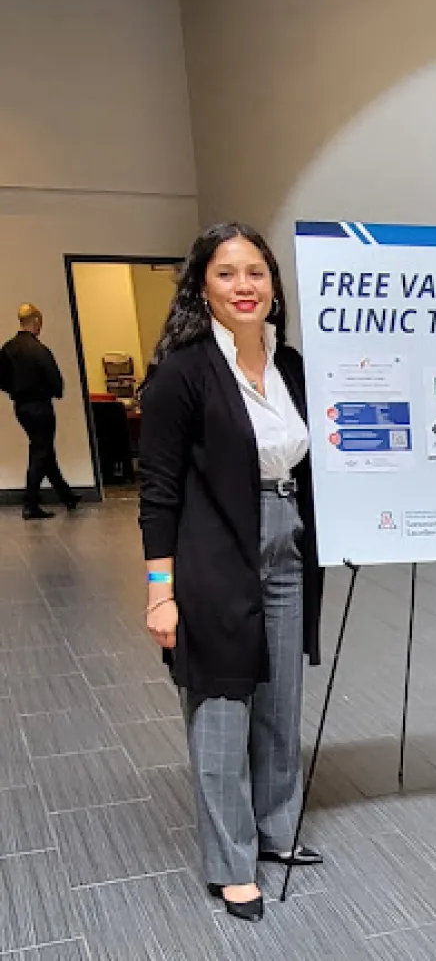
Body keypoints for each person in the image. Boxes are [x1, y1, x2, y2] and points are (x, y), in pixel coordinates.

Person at [137, 223, 324, 922]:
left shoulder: (291, 364)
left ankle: (277, 832)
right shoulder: (182, 373)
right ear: (202, 286)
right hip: (213, 550)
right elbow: (157, 491)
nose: (244, 286)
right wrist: (162, 593)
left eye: (256, 272)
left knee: (280, 701)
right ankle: (231, 863)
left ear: (273, 284)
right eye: (226, 273)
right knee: (222, 708)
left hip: (287, 541)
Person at [0, 304, 81, 519]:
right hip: (40, 407)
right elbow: (54, 379)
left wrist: (14, 391)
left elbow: (1, 378)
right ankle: (31, 503)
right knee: (40, 453)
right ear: (36, 321)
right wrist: (56, 392)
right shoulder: (39, 350)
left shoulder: (8, 348)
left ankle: (67, 496)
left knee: (44, 450)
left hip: (21, 407)